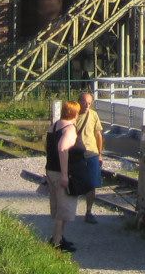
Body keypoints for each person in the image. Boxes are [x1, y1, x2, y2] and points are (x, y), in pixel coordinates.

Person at [45, 101, 82, 252]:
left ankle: (59, 237)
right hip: (61, 174)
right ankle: (57, 243)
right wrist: (65, 175)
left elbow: (48, 148)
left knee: (58, 208)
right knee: (64, 209)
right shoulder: (70, 129)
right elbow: (62, 148)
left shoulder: (53, 126)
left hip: (51, 171)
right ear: (76, 113)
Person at [75, 91, 104, 224]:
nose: (87, 105)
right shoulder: (73, 115)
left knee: (92, 184)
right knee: (73, 182)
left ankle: (89, 211)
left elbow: (98, 135)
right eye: (84, 102)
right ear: (78, 102)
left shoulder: (93, 115)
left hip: (91, 153)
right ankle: (69, 210)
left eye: (89, 103)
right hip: (76, 153)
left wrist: (100, 153)